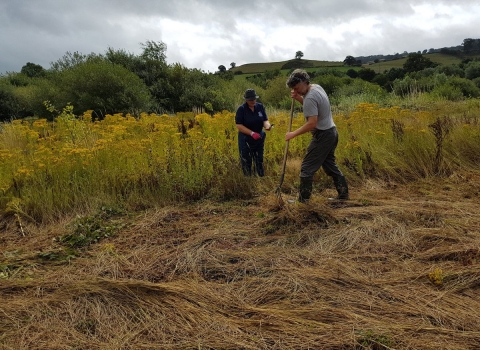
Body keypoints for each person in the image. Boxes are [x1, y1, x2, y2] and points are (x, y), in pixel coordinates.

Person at [285, 69, 349, 202]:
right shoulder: (316, 87)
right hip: (332, 132)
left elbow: (312, 123)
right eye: (293, 89)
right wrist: (298, 98)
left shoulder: (310, 97)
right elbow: (313, 108)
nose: (296, 90)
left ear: (304, 82)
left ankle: (303, 202)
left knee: (307, 167)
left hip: (323, 136)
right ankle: (343, 196)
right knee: (330, 165)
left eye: (297, 88)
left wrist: (293, 134)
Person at [235, 89, 272, 176]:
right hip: (246, 138)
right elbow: (239, 125)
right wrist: (252, 133)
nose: (253, 101)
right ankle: (248, 179)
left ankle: (259, 178)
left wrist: (267, 126)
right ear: (246, 100)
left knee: (259, 159)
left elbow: (265, 120)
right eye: (251, 100)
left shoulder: (260, 106)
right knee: (246, 159)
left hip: (259, 137)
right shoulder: (241, 109)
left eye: (254, 99)